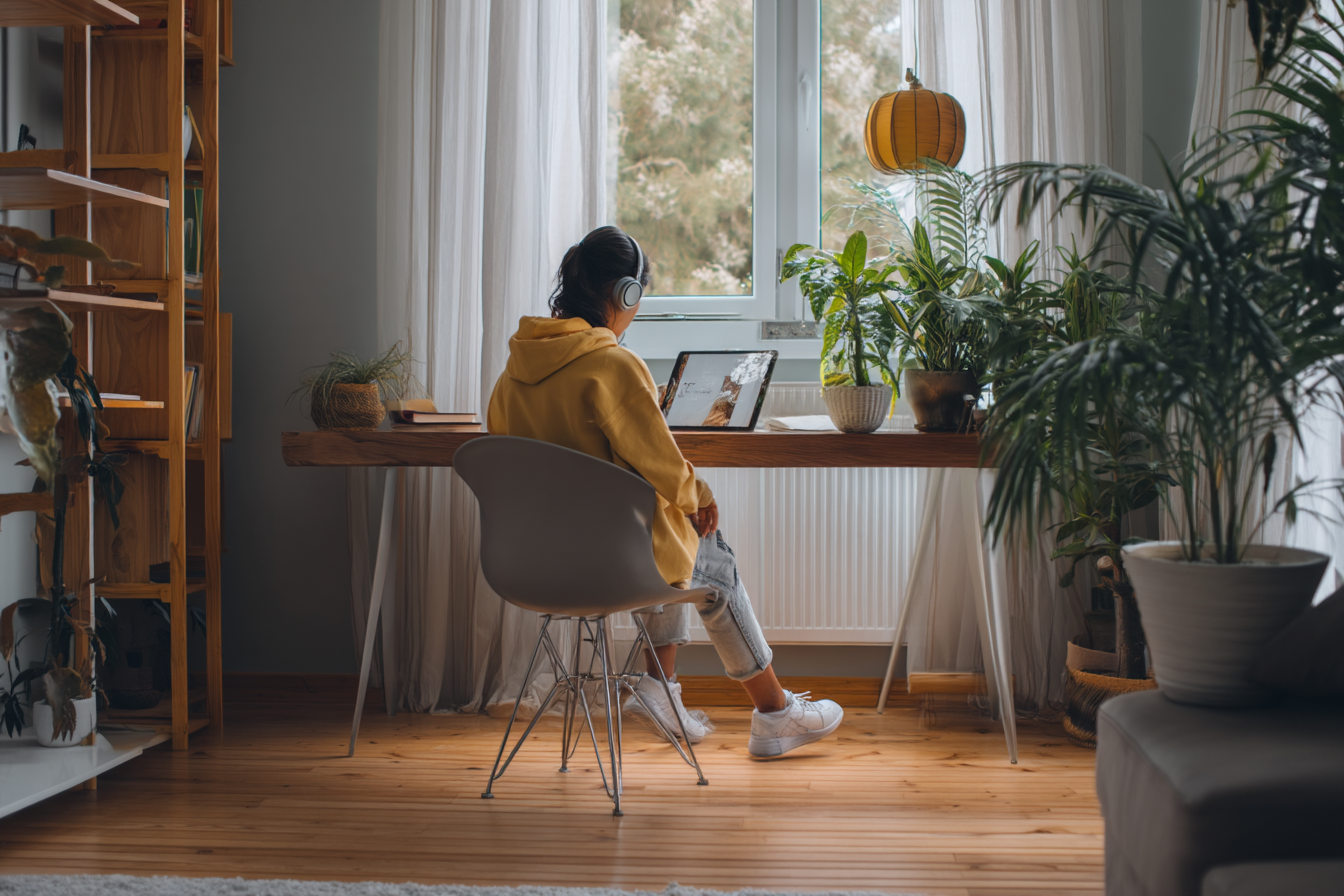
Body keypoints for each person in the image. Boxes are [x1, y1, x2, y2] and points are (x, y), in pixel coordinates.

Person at [486, 225, 844, 758]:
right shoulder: (612, 364)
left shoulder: (511, 375)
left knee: (666, 528)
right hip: (606, 565)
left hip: (530, 565)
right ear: (626, 293)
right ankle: (775, 713)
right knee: (707, 550)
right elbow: (665, 468)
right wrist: (700, 495)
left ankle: (663, 690)